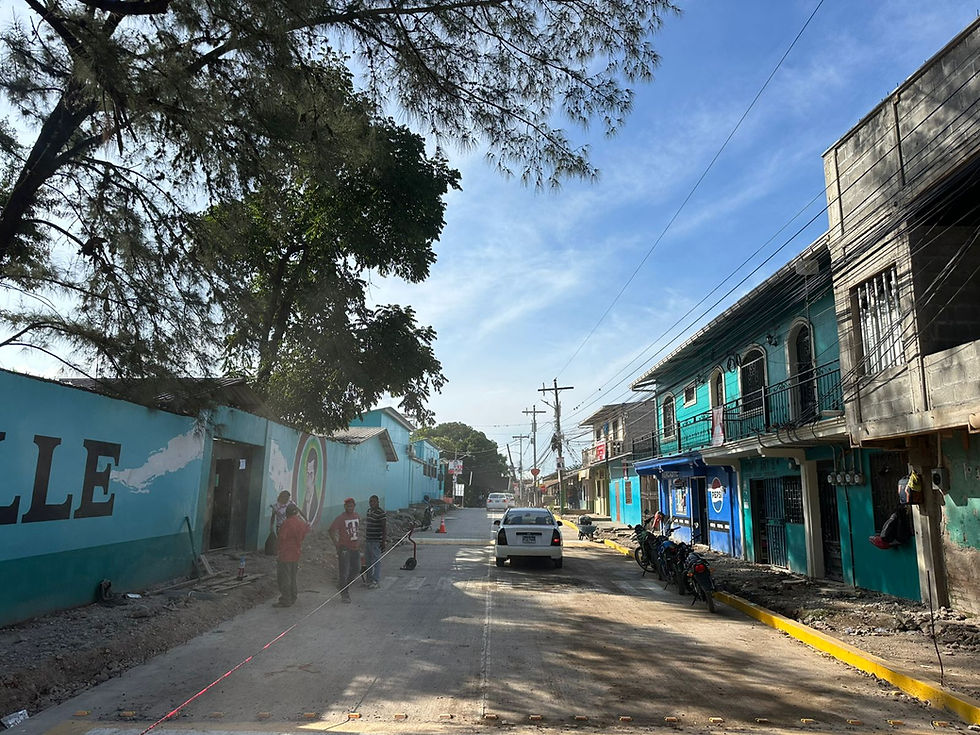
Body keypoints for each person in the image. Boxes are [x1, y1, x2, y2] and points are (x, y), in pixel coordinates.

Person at [274, 505, 308, 607]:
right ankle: (293, 596)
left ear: (287, 513)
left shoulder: (287, 523)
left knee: (284, 578)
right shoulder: (301, 523)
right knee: (293, 577)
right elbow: (303, 535)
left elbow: (281, 538)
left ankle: (286, 600)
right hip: (296, 553)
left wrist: (277, 551)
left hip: (285, 554)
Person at [328, 497, 361, 603]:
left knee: (356, 569)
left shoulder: (357, 516)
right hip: (344, 548)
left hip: (355, 547)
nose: (350, 508)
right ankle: (345, 594)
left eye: (351, 506)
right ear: (345, 507)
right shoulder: (341, 518)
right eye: (348, 506)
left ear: (354, 506)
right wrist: (337, 544)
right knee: (344, 571)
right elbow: (331, 530)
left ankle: (342, 585)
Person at [363, 495, 387, 589]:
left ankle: (376, 581)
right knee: (368, 561)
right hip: (368, 540)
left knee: (376, 561)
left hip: (376, 540)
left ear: (377, 502)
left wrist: (383, 541)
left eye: (373, 501)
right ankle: (369, 580)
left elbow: (384, 528)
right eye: (370, 501)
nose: (371, 503)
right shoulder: (369, 511)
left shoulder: (381, 513)